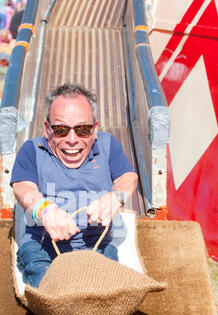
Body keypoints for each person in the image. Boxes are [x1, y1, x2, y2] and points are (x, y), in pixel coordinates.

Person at [10, 82, 138, 288]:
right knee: (49, 292)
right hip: (42, 247)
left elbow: (128, 178)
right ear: (47, 129)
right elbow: (23, 188)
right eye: (60, 130)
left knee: (108, 292)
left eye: (83, 130)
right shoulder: (32, 150)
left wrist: (116, 197)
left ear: (95, 129)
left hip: (96, 245)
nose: (72, 140)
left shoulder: (108, 145)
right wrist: (44, 209)